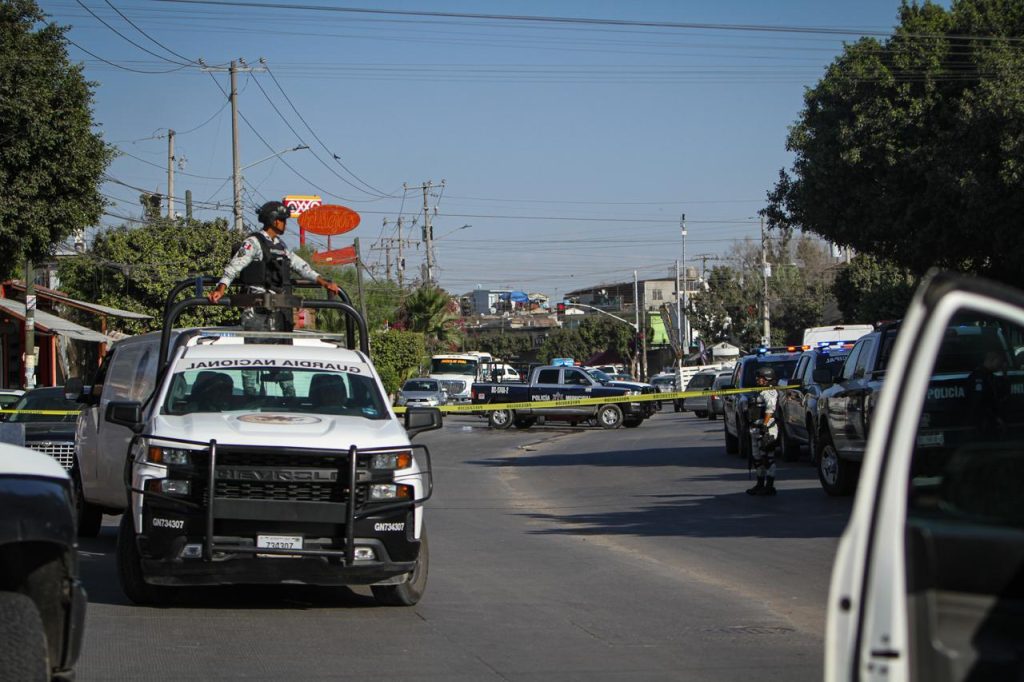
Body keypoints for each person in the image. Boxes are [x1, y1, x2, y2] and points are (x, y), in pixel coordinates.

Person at [208, 200, 342, 396]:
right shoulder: (253, 243)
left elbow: (301, 266)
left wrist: (323, 282)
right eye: (282, 220)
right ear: (273, 221)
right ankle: (251, 397)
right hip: (257, 309)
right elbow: (234, 267)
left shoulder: (281, 246)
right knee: (252, 357)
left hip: (279, 309)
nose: (285, 224)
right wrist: (221, 288)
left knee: (283, 355)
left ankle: (290, 398)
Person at [747, 366, 780, 496]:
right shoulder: (760, 391)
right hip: (755, 429)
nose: (757, 379)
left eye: (760, 377)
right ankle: (760, 484)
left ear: (767, 379)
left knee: (768, 458)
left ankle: (770, 486)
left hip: (766, 430)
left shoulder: (770, 392)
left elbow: (770, 410)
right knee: (757, 458)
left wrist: (764, 426)